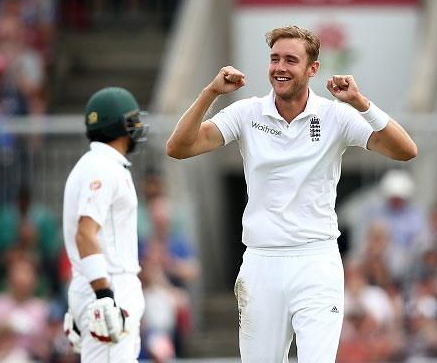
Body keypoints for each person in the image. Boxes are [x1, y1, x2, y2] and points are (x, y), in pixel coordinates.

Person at [166, 25, 417, 362]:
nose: (279, 68)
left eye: (290, 60)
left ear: (312, 69)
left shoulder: (336, 116)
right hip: (261, 262)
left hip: (316, 261)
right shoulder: (247, 113)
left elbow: (405, 150)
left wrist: (360, 102)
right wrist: (211, 92)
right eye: (274, 59)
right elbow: (179, 147)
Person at [62, 86, 149, 362]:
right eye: (132, 119)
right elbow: (85, 234)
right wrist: (103, 296)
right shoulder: (102, 166)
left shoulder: (99, 164)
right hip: (109, 285)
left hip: (106, 284)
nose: (136, 126)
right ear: (120, 125)